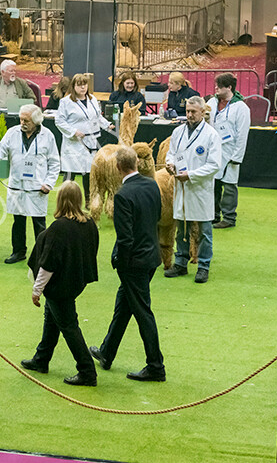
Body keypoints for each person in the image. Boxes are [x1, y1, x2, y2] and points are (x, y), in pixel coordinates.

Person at [89, 146, 165, 382]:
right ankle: (107, 352)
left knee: (142, 312)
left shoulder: (123, 195)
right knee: (124, 306)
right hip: (151, 257)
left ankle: (155, 366)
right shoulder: (152, 185)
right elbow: (158, 217)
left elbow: (125, 238)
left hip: (135, 263)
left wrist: (120, 262)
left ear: (119, 167)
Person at [21, 181, 98, 386]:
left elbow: (48, 264)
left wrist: (37, 290)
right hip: (76, 283)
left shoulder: (59, 227)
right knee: (52, 317)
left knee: (69, 326)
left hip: (59, 286)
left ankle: (87, 370)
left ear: (60, 200)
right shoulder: (89, 223)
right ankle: (41, 359)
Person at [0, 104, 60, 264]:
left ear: (36, 121)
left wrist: (49, 183)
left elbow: (54, 162)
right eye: (21, 119)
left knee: (39, 223)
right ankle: (18, 252)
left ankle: (41, 255)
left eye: (26, 120)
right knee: (18, 221)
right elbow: (1, 149)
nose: (22, 123)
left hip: (38, 188)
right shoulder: (13, 133)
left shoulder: (48, 135)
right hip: (17, 185)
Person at [164, 96, 221, 283]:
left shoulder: (211, 135)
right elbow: (171, 154)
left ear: (203, 112)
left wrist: (191, 175)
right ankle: (180, 262)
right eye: (187, 111)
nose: (189, 115)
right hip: (181, 187)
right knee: (182, 227)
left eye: (193, 112)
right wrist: (170, 165)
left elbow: (214, 165)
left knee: (204, 230)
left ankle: (203, 266)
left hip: (199, 188)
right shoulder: (178, 132)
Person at [56, 73, 113, 207]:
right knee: (71, 173)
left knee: (89, 173)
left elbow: (97, 117)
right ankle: (65, 201)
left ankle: (88, 201)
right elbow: (59, 121)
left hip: (90, 141)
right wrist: (73, 131)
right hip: (74, 143)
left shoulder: (92, 99)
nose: (82, 88)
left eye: (84, 85)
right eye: (79, 85)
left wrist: (107, 125)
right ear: (73, 86)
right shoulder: (66, 102)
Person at [205, 73, 250, 229]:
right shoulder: (211, 102)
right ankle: (213, 215)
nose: (215, 88)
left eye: (219, 85)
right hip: (213, 150)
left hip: (230, 151)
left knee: (229, 185)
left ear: (229, 87)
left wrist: (237, 156)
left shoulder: (241, 107)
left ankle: (229, 217)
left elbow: (242, 134)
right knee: (214, 183)